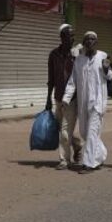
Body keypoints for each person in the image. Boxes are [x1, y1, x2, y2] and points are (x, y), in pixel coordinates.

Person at [63, 31, 112, 174]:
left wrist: (106, 69)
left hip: (97, 102)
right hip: (83, 102)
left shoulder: (103, 56)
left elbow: (111, 76)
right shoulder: (79, 60)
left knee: (92, 132)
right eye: (87, 39)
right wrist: (66, 99)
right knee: (85, 133)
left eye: (92, 39)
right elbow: (73, 81)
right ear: (84, 43)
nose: (89, 42)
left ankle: (88, 163)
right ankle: (101, 154)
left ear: (96, 42)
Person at [46, 24, 82, 170]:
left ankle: (64, 160)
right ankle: (78, 148)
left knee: (65, 130)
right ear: (61, 37)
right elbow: (51, 78)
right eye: (69, 36)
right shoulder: (53, 55)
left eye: (73, 35)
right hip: (58, 97)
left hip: (73, 98)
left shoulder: (77, 55)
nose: (72, 38)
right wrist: (48, 99)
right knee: (63, 128)